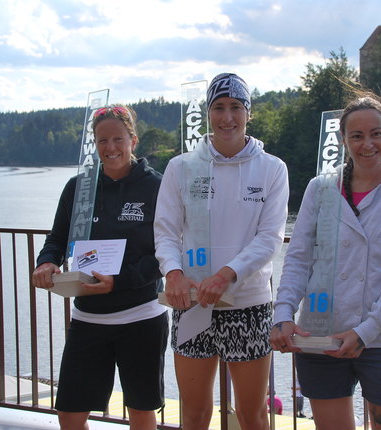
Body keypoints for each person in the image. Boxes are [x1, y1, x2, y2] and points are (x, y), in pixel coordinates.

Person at [270, 90, 381, 430]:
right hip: (321, 335)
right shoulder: (320, 189)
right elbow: (298, 259)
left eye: (376, 133)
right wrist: (283, 314)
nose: (367, 144)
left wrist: (364, 332)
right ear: (343, 140)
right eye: (356, 135)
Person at [154, 73, 289, 430]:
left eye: (235, 107)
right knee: (195, 414)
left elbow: (270, 237)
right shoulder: (181, 167)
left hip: (249, 305)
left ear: (248, 113)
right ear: (208, 113)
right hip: (194, 302)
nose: (227, 117)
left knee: (252, 415)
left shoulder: (273, 168)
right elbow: (165, 231)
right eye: (218, 108)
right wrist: (174, 273)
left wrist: (226, 275)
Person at [32, 104, 168, 430]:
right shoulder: (78, 188)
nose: (110, 148)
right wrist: (47, 262)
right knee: (70, 413)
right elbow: (57, 238)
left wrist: (118, 283)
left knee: (141, 412)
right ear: (94, 144)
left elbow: (165, 254)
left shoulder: (156, 187)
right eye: (102, 140)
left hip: (141, 317)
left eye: (118, 139)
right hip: (88, 319)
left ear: (133, 140)